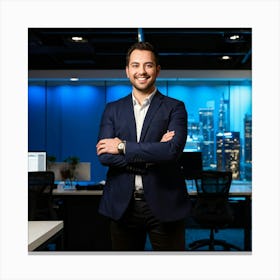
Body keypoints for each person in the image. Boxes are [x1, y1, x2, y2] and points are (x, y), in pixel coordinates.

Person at [96, 42, 192, 251]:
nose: (141, 71)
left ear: (157, 70)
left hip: (165, 201)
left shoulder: (174, 107)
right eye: (135, 65)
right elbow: (104, 155)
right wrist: (155, 153)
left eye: (148, 65)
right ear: (127, 70)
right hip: (123, 205)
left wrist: (122, 147)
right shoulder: (112, 109)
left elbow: (171, 152)